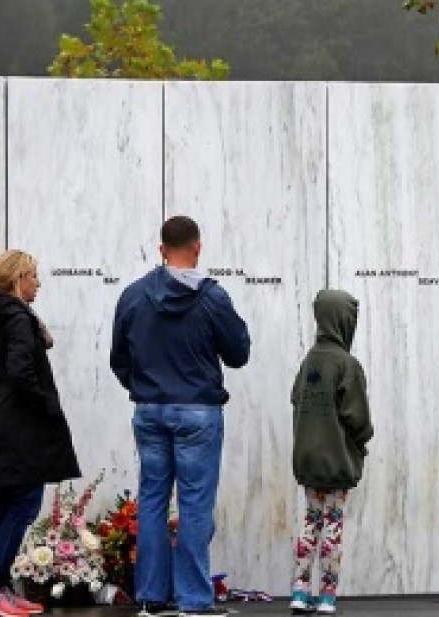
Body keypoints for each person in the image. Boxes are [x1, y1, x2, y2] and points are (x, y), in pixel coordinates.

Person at [111, 215, 251, 617]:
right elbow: (239, 354)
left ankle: (151, 598)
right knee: (194, 504)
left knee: (152, 499)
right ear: (198, 247)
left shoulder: (133, 296)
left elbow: (118, 359)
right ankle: (192, 600)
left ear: (160, 249)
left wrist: (147, 390)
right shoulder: (212, 298)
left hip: (149, 410)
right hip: (198, 412)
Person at [0, 249, 82, 617]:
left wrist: (4, 402)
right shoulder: (18, 318)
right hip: (23, 429)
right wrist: (45, 407)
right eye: (33, 276)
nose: (38, 282)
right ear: (18, 280)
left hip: (5, 423)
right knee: (22, 507)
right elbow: (21, 372)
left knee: (6, 508)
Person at [288, 290, 373, 616]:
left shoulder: (308, 361)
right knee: (333, 525)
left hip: (308, 459)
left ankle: (299, 590)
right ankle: (326, 595)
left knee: (310, 522)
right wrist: (363, 440)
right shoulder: (347, 365)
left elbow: (296, 400)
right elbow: (358, 417)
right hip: (337, 460)